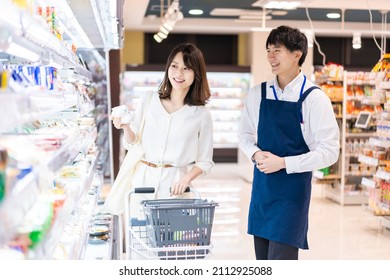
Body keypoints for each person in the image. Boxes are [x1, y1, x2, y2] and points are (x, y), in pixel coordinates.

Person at [238, 25, 340, 260]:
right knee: (262, 260)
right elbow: (244, 135)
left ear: (297, 54)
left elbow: (329, 151)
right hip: (262, 192)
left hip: (292, 197)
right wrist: (255, 154)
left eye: (277, 50)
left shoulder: (314, 99)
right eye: (268, 51)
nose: (270, 57)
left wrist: (284, 163)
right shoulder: (258, 94)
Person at [111, 42, 214, 202]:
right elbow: (132, 144)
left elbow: (205, 161)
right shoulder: (149, 99)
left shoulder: (201, 114)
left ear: (196, 73)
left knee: (173, 228)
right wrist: (125, 126)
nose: (179, 73)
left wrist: (186, 179)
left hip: (175, 188)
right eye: (174, 66)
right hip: (141, 184)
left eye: (186, 68)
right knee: (139, 227)